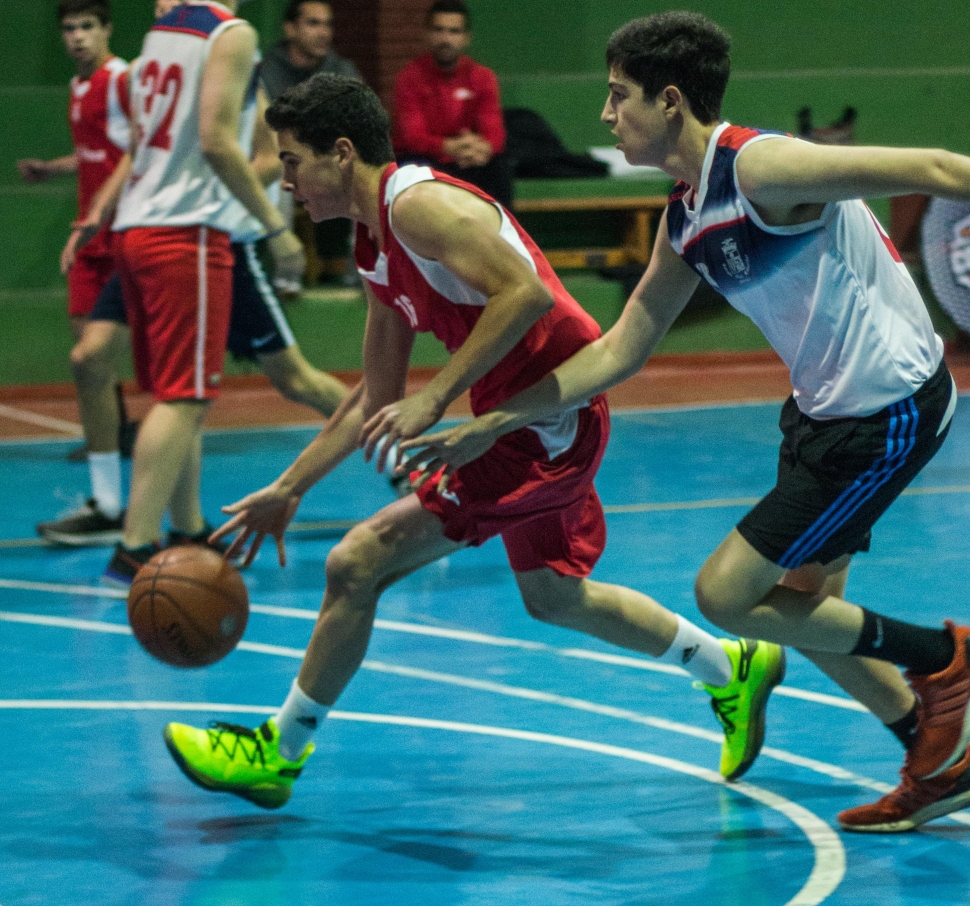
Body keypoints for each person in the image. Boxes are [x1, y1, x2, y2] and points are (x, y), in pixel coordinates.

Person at [401, 12, 970, 834]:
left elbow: (932, 166)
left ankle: (949, 657)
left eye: (619, 95)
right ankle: (937, 758)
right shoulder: (685, 218)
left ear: (669, 101)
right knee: (805, 608)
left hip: (890, 410)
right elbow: (621, 348)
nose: (606, 113)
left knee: (729, 594)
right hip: (821, 412)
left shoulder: (761, 168)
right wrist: (493, 420)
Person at [161, 74, 783, 809]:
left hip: (546, 423)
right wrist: (289, 488)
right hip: (514, 419)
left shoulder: (419, 206)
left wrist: (436, 396)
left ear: (341, 153)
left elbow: (527, 293)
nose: (285, 179)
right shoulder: (373, 243)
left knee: (356, 563)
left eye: (293, 161)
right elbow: (373, 396)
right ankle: (730, 667)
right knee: (553, 596)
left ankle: (279, 751)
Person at [37, 0, 348, 549]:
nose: (171, 4)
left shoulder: (224, 56)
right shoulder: (158, 65)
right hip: (155, 236)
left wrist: (253, 214)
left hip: (216, 239)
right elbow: (139, 153)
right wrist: (98, 213)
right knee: (115, 366)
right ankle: (156, 520)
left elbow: (255, 154)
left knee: (284, 379)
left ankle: (402, 451)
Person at [100, 0, 305, 583]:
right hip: (185, 231)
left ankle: (187, 527)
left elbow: (152, 134)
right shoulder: (231, 32)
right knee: (185, 396)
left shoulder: (163, 29)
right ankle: (135, 545)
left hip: (138, 223)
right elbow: (219, 142)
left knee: (176, 393)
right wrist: (275, 227)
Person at [18, 0, 134, 543]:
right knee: (86, 360)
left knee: (101, 358)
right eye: (69, 28)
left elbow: (139, 153)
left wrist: (105, 213)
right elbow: (96, 156)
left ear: (106, 28)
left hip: (125, 236)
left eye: (87, 26)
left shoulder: (122, 80)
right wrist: (52, 168)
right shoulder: (78, 87)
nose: (78, 37)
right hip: (87, 241)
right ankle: (108, 493)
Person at [256, 0, 364, 286]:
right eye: (313, 23)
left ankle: (355, 275)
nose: (323, 33)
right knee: (278, 176)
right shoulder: (265, 70)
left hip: (327, 160)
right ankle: (283, 277)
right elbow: (270, 127)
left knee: (362, 171)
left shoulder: (342, 70)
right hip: (283, 161)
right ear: (290, 29)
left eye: (327, 24)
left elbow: (358, 122)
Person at [392, 0, 512, 206]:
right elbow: (413, 138)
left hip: (469, 160)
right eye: (438, 30)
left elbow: (495, 135)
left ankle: (502, 226)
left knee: (498, 167)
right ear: (427, 34)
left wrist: (480, 149)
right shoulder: (409, 78)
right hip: (426, 162)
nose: (446, 39)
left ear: (466, 38)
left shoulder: (483, 77)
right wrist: (451, 147)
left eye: (454, 31)